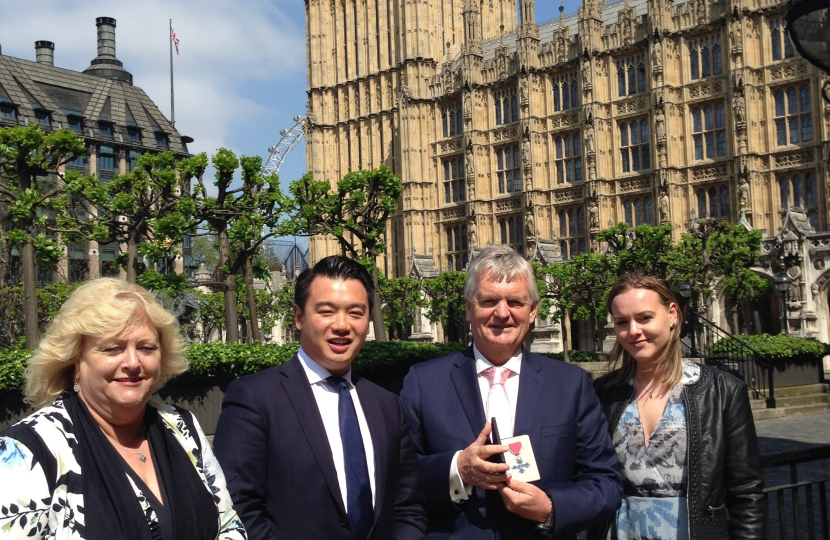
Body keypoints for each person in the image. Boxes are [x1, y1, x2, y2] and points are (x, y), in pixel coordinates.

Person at [400, 245, 622, 539]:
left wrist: (551, 508)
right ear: (468, 308)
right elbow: (398, 478)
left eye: (515, 302)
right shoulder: (423, 382)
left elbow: (605, 482)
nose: (502, 313)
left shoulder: (570, 385)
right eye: (489, 300)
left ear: (532, 311)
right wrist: (458, 470)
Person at [0, 278, 246, 540]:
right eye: (113, 348)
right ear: (75, 360)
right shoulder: (28, 451)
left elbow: (229, 526)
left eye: (146, 348)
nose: (132, 362)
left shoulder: (182, 427)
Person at [213, 256, 426, 540]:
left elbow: (407, 505)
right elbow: (239, 507)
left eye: (355, 313)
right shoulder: (255, 398)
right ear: (299, 318)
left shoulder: (387, 405)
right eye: (326, 311)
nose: (341, 325)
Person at [590, 273, 765, 540]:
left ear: (672, 314)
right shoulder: (604, 393)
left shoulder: (721, 390)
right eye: (622, 322)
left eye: (645, 318)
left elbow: (747, 493)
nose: (633, 331)